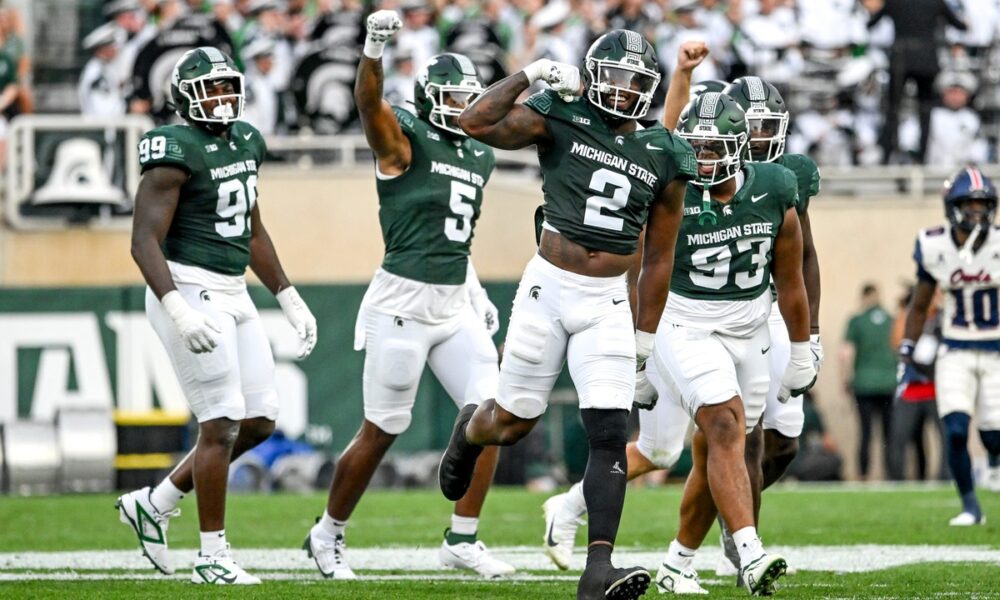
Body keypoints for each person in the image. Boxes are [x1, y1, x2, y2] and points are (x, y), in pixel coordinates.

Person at [439, 29, 697, 600]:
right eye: (615, 77)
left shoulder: (664, 151)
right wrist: (530, 73)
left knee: (608, 433)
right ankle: (469, 431)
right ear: (591, 74)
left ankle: (597, 568)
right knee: (512, 421)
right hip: (548, 289)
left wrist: (645, 338)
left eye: (636, 82)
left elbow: (659, 256)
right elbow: (475, 124)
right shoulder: (562, 112)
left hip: (607, 300)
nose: (624, 91)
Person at [301, 11, 514, 581]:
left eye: (472, 98)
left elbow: (454, 233)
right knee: (382, 430)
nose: (465, 107)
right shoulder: (404, 141)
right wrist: (372, 50)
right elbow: (370, 105)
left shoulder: (480, 153)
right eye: (454, 97)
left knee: (496, 413)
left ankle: (462, 538)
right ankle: (327, 533)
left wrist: (473, 285)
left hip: (454, 301)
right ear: (427, 97)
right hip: (402, 304)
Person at [117, 47, 317, 585]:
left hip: (233, 290)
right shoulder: (172, 148)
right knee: (222, 422)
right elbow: (142, 242)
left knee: (259, 421)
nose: (222, 97)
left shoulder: (247, 139)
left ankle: (153, 503)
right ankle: (212, 553)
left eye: (228, 87)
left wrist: (287, 293)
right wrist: (176, 307)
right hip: (188, 286)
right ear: (182, 96)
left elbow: (251, 227)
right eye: (211, 88)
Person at [648, 91, 814, 595]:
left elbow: (791, 279)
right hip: (685, 324)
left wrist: (804, 347)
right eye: (696, 147)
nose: (704, 158)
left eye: (716, 147)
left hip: (750, 329)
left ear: (741, 147)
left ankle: (677, 563)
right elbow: (648, 270)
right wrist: (636, 347)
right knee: (724, 423)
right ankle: (751, 552)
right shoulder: (673, 188)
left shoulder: (777, 186)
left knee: (722, 446)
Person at [900, 167, 1000, 525]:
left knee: (994, 436)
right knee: (955, 430)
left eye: (982, 204)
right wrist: (907, 347)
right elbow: (921, 300)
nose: (977, 212)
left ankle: (991, 460)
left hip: (996, 351)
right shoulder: (934, 244)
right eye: (969, 204)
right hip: (955, 349)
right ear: (953, 207)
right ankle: (971, 506)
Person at [841, 283, 897, 479]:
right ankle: (891, 475)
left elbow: (846, 353)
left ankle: (863, 476)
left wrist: (846, 380)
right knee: (889, 434)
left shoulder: (857, 321)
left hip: (864, 384)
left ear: (864, 297)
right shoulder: (892, 319)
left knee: (865, 433)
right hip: (889, 383)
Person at [79, 23, 127, 117]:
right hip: (102, 127)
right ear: (102, 50)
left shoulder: (106, 67)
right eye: (112, 46)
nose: (116, 49)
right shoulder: (97, 72)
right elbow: (102, 109)